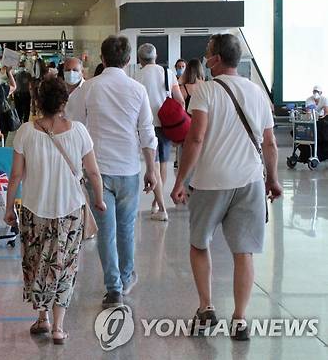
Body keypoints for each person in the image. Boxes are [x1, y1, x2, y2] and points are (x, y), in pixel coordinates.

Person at [171, 33, 283, 341]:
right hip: (249, 181)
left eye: (208, 53)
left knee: (199, 243)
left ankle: (206, 307)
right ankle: (240, 319)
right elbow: (269, 142)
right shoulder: (258, 93)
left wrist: (181, 180)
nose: (205, 58)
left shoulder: (205, 91)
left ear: (217, 59)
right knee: (243, 251)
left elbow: (195, 138)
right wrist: (272, 180)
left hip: (210, 182)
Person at [4, 76, 105, 345]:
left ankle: (42, 318)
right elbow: (93, 171)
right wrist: (100, 199)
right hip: (70, 211)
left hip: (34, 211)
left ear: (38, 101)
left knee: (37, 263)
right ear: (64, 101)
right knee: (65, 266)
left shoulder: (26, 132)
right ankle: (59, 328)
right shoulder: (79, 131)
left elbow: (15, 176)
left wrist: (7, 208)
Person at [82, 36, 158, 308]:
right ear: (128, 61)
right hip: (128, 168)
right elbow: (147, 133)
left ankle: (112, 287)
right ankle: (125, 279)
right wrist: (151, 169)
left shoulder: (88, 88)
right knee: (126, 228)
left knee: (106, 231)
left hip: (97, 171)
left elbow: (74, 123)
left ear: (102, 59)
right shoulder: (138, 90)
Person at [136, 43, 185, 221]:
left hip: (146, 125)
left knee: (153, 165)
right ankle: (157, 203)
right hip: (165, 123)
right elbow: (180, 100)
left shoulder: (137, 76)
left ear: (140, 59)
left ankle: (160, 205)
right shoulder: (167, 73)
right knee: (162, 164)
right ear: (156, 57)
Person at [62, 57, 87, 122]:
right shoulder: (58, 89)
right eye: (67, 70)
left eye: (75, 70)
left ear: (82, 72)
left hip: (81, 130)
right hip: (61, 130)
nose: (71, 73)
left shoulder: (88, 89)